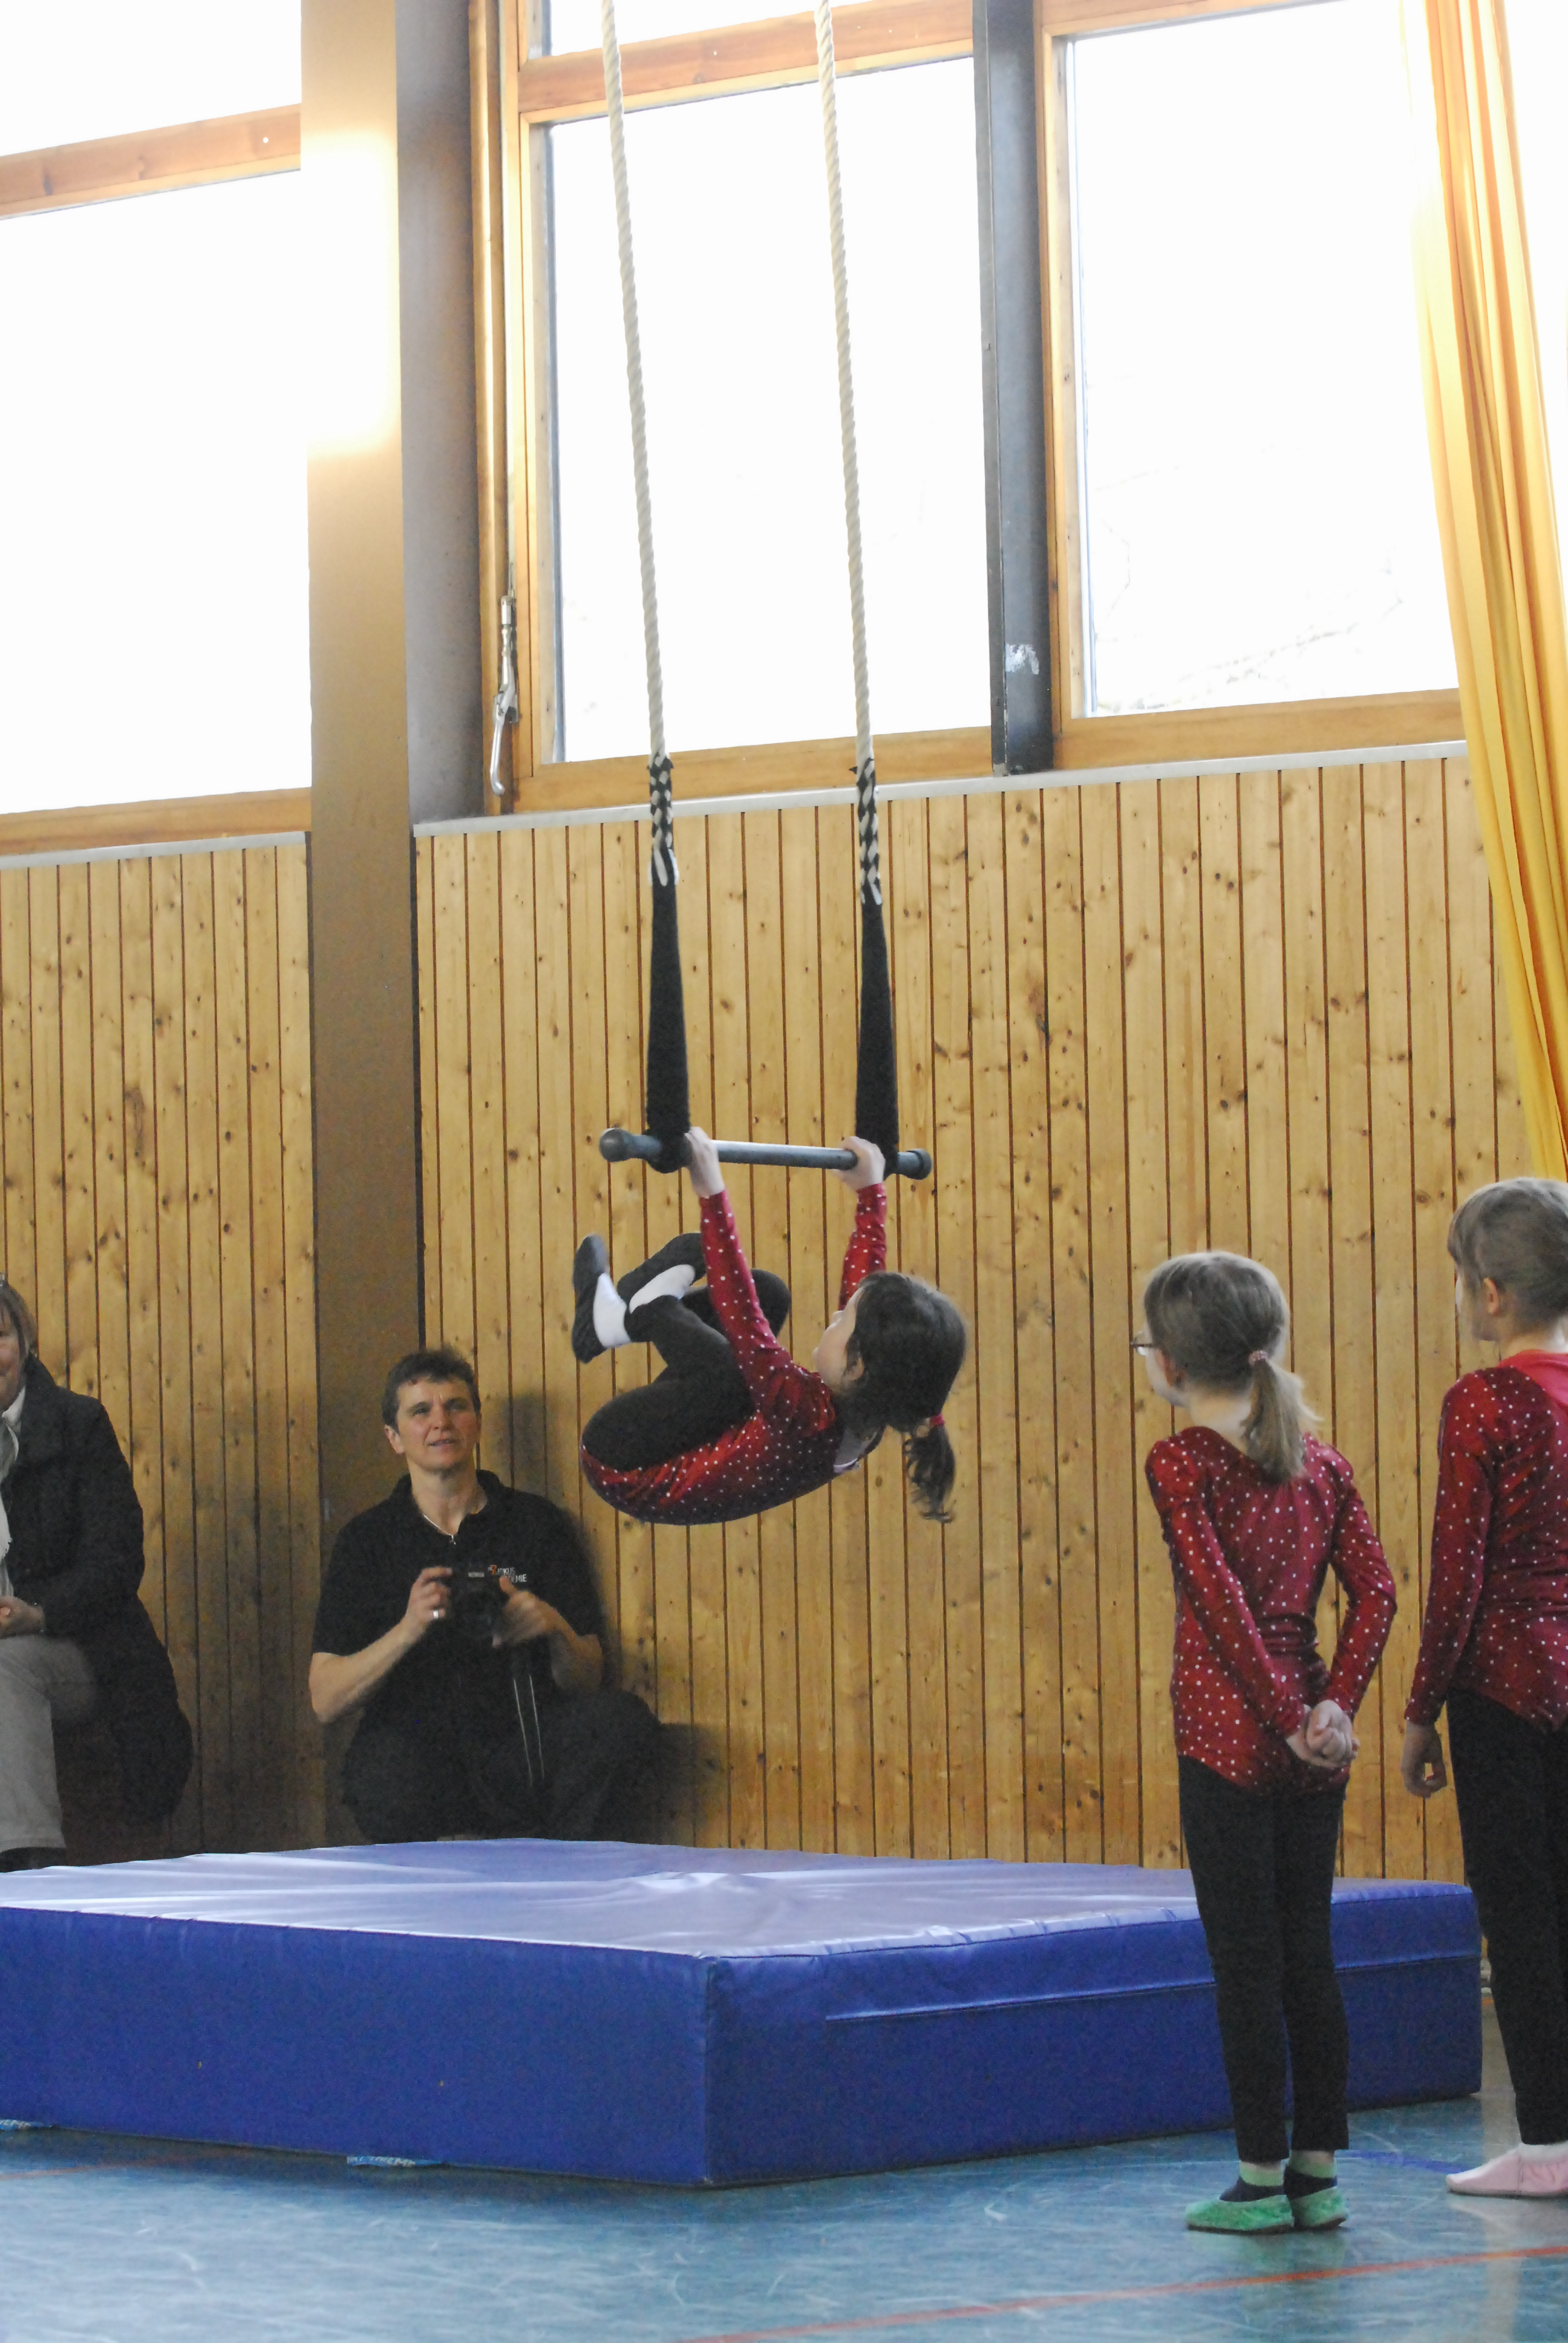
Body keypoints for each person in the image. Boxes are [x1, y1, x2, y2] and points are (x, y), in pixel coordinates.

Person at [1140, 1251, 1396, 2235]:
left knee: (1245, 1962)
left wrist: (1289, 1717)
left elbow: (1221, 1606)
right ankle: (1316, 2172)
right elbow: (1376, 1593)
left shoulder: (1182, 1463)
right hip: (1311, 1748)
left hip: (1230, 1741)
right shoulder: (1320, 1463)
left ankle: (1257, 2176)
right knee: (1307, 1956)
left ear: (1169, 1363)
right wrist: (1336, 1707)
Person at [310, 1346, 657, 1844]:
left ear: (476, 1421)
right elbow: (325, 1699)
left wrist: (552, 1627)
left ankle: (555, 1862)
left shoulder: (535, 1524)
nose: (441, 1422)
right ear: (394, 1437)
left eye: (456, 1406)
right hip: (419, 1754)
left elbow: (588, 1678)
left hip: (524, 1740)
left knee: (621, 1723)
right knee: (380, 1771)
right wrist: (409, 1629)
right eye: (421, 1411)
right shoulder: (367, 1540)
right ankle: (450, 1863)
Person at [1403, 1178, 1568, 2199]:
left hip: (1506, 1687)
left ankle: (1548, 2141)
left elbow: (1458, 1573)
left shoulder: (1486, 1401)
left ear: (1492, 1293)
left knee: (1520, 1916)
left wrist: (1421, 1708)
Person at [569, 1127, 965, 1528]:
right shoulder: (873, 1403)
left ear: (858, 1364)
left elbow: (744, 1319)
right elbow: (863, 1286)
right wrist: (870, 1194)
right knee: (770, 1294)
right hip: (698, 1439)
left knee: (734, 1370)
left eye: (843, 1321)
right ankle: (615, 1322)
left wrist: (711, 1191)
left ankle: (647, 1310)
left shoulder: (807, 1418)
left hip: (626, 1464)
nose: (835, 1316)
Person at [0, 1277, 192, 1869]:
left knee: (5, 1664)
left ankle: (27, 1862)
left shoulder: (77, 1425)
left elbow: (116, 1562)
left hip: (79, 1645)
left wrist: (38, 1613)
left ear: (25, 1340)